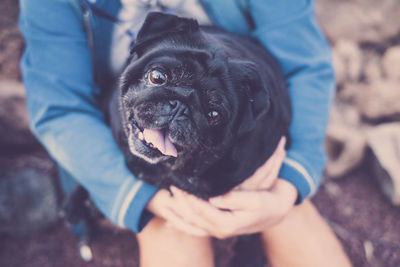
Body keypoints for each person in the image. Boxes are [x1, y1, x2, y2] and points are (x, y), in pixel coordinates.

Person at [19, 0, 352, 266]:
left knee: (288, 216)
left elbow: (306, 65)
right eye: (160, 78)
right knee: (174, 235)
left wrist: (288, 187)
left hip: (245, 146)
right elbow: (60, 108)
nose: (177, 109)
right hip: (113, 142)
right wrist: (141, 198)